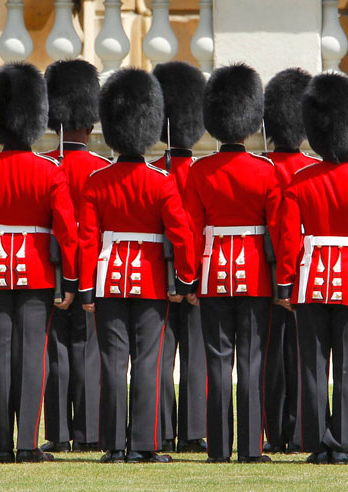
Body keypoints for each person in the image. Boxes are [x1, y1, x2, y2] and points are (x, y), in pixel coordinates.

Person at [0, 62, 79, 464]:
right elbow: (66, 230)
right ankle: (27, 443)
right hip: (39, 274)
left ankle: (2, 446)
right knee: (32, 356)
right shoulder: (50, 171)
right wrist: (71, 279)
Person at [79, 68, 196, 463]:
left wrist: (86, 287)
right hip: (150, 280)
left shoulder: (97, 181)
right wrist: (185, 278)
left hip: (109, 278)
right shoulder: (161, 181)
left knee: (114, 361)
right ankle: (145, 444)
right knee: (148, 361)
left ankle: (113, 445)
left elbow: (87, 239)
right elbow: (180, 233)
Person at [274, 71, 348, 465]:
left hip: (308, 281)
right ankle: (344, 443)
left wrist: (285, 284)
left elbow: (289, 239)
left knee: (313, 366)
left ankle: (317, 442)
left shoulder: (300, 180)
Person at [183, 63, 285, 464]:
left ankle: (219, 448)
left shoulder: (200, 170)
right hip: (256, 274)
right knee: (252, 361)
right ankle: (251, 448)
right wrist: (284, 280)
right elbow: (279, 232)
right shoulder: (265, 171)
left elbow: (190, 229)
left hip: (212, 274)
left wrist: (189, 278)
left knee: (218, 361)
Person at [40, 59, 107, 454]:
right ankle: (89, 431)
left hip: (49, 269)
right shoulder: (100, 168)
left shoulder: (46, 164)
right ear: (92, 123)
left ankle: (58, 432)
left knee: (56, 353)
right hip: (91, 272)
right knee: (89, 352)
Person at [151, 60, 209, 454]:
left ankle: (162, 428)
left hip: (159, 276)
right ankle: (192, 431)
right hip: (198, 275)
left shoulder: (156, 171)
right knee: (196, 356)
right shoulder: (203, 171)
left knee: (160, 357)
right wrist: (192, 278)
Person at [261, 67, 312, 455]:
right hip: (305, 272)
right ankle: (299, 433)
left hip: (264, 271)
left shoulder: (263, 167)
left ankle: (275, 430)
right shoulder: (308, 170)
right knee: (301, 357)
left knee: (270, 359)